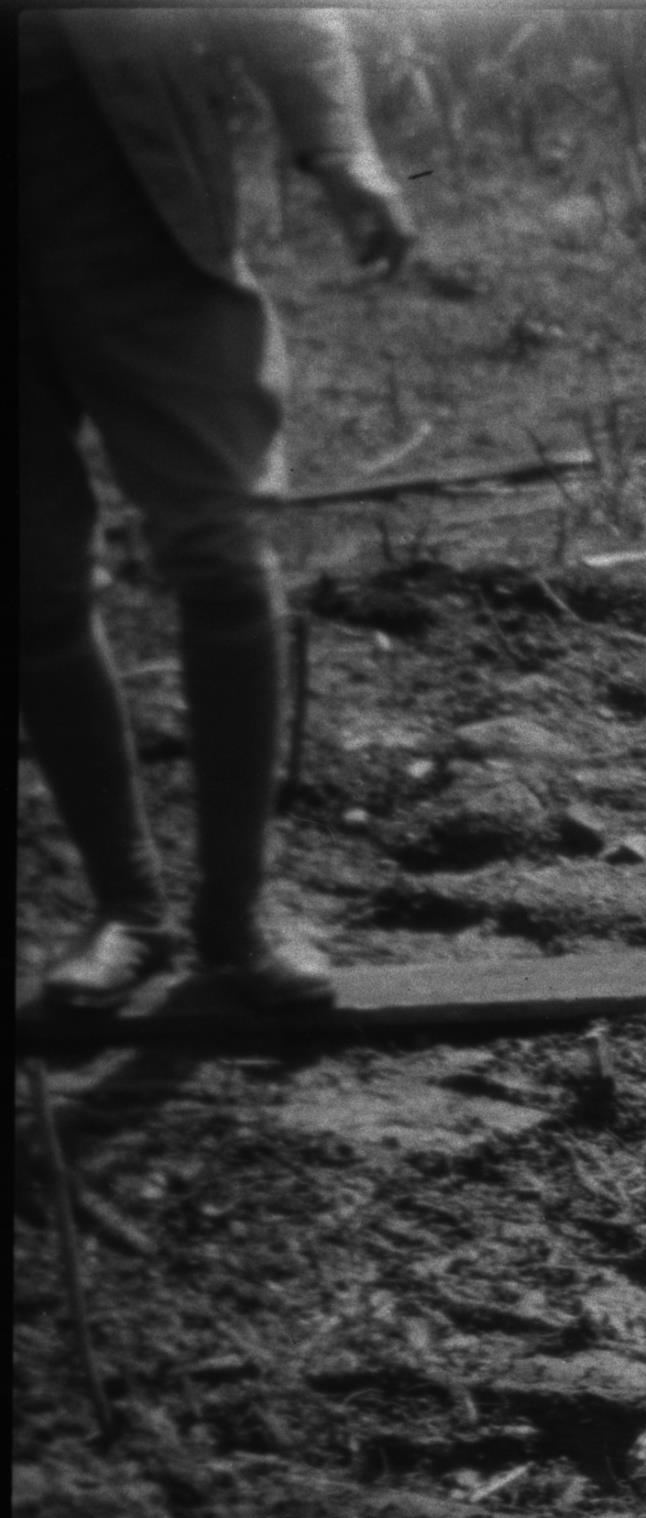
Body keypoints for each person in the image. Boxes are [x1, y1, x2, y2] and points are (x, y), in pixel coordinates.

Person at [21, 8, 415, 1011]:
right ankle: (128, 911)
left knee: (221, 549)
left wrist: (343, 151)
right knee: (33, 587)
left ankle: (237, 918)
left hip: (139, 219)